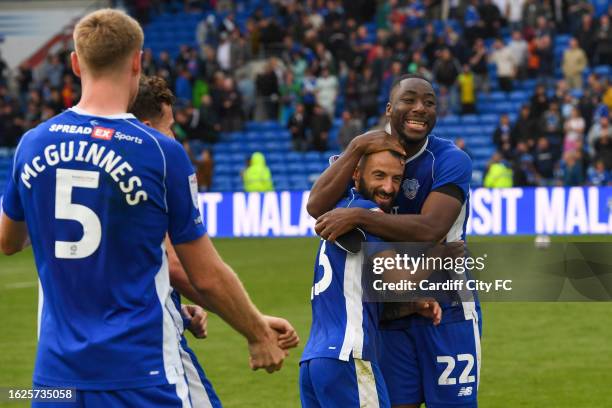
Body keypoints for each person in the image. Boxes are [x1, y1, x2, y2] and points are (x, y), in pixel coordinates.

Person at [0, 9, 288, 406]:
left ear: (74, 63)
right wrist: (257, 335)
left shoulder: (32, 143)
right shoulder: (160, 151)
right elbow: (204, 274)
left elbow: (9, 241)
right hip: (141, 372)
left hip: (57, 377)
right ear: (137, 61)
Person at [307, 74, 481, 408]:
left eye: (429, 103)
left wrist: (359, 216)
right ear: (390, 109)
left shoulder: (450, 160)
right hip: (388, 309)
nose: (420, 109)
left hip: (447, 305)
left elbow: (431, 228)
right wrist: (356, 146)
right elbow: (317, 207)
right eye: (409, 100)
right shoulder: (366, 153)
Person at [129, 75, 300, 406]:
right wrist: (257, 330)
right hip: (146, 345)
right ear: (148, 127)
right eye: (170, 127)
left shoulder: (61, 149)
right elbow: (188, 269)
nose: (173, 137)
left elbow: (10, 238)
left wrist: (174, 299)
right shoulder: (157, 163)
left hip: (67, 358)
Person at [300, 149, 442, 408]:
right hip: (348, 356)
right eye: (379, 175)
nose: (389, 187)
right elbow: (403, 282)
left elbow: (353, 294)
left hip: (315, 361)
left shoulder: (343, 210)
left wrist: (411, 306)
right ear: (356, 175)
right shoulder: (367, 213)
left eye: (396, 179)